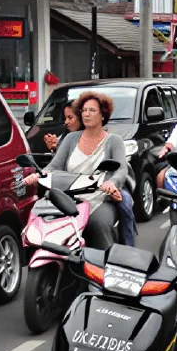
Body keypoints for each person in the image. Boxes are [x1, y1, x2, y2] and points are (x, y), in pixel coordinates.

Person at [24, 91, 129, 250]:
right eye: (84, 110)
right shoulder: (71, 138)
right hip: (68, 198)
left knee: (98, 223)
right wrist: (38, 175)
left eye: (92, 110)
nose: (87, 114)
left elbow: (121, 170)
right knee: (41, 220)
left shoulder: (114, 141)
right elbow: (54, 166)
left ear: (103, 115)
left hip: (99, 198)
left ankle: (104, 267)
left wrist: (111, 183)